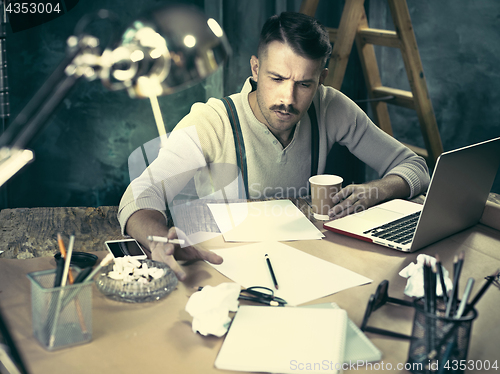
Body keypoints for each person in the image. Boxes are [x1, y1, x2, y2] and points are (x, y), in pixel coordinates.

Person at [118, 11, 430, 280]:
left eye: (304, 84)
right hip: (223, 269)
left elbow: (415, 166)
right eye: (277, 78)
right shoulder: (212, 121)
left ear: (321, 78)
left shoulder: (331, 108)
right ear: (255, 68)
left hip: (303, 266)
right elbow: (141, 194)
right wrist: (158, 240)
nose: (288, 99)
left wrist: (376, 190)